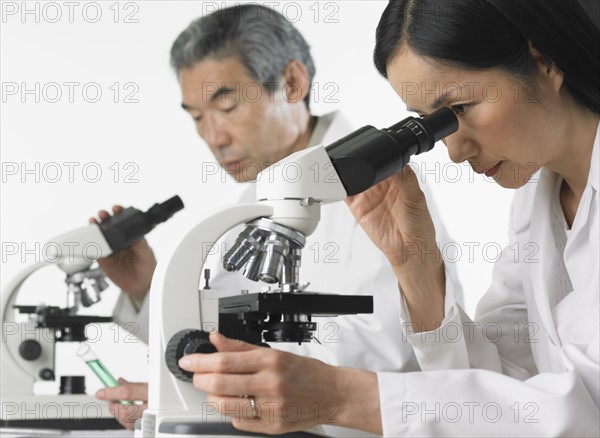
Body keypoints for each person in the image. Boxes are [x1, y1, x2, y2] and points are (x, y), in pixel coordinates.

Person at [176, 0, 600, 436]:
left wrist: (341, 395)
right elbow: (500, 384)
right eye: (431, 122)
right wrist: (417, 270)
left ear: (545, 62)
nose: (454, 152)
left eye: (461, 107)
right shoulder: (536, 203)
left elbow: (584, 409)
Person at [90, 4, 459, 430]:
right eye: (196, 117)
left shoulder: (375, 185)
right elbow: (209, 334)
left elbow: (390, 352)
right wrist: (146, 286)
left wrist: (217, 388)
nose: (214, 137)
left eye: (226, 106)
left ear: (292, 83)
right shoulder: (257, 199)